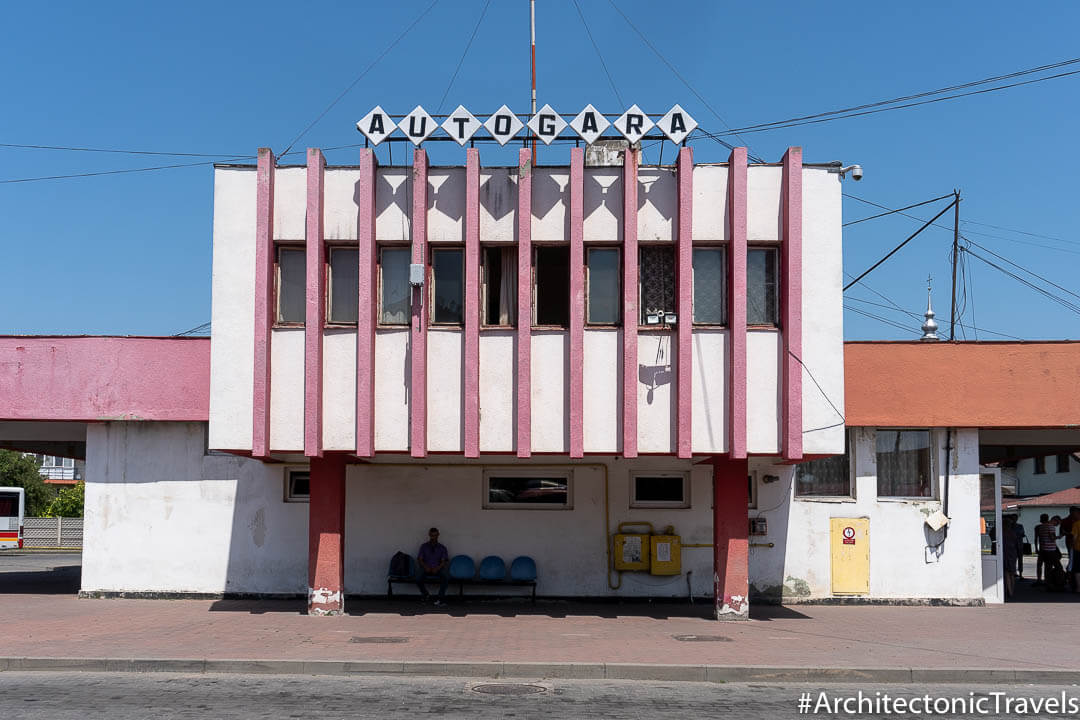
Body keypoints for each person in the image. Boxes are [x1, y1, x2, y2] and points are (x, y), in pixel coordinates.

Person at [415, 527, 449, 606]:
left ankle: (440, 598)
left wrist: (437, 568)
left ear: (438, 535)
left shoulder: (442, 548)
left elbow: (444, 561)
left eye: (435, 535)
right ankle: (426, 594)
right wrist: (425, 567)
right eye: (432, 535)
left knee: (445, 579)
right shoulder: (424, 546)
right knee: (418, 579)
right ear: (429, 535)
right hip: (426, 569)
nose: (433, 537)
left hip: (437, 569)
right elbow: (420, 559)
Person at [1034, 513, 1059, 586]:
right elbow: (1052, 538)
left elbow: (1036, 539)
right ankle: (1047, 580)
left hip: (1042, 548)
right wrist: (1059, 536)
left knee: (1040, 564)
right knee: (1048, 565)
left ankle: (1039, 579)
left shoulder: (1038, 527)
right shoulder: (1050, 526)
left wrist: (1036, 548)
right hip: (1049, 549)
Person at [1061, 507, 1080, 591]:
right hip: (1073, 546)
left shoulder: (1076, 523)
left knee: (1074, 566)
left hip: (1075, 547)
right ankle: (1072, 582)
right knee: (1073, 565)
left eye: (1074, 513)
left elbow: (1073, 536)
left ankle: (1075, 585)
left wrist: (1067, 534)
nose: (1073, 514)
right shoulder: (1065, 521)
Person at [1001, 516, 1018, 599]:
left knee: (1006, 573)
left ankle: (1008, 590)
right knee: (1011, 573)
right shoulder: (1012, 533)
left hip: (1005, 553)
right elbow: (1016, 542)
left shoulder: (1001, 533)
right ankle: (1011, 590)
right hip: (1011, 553)